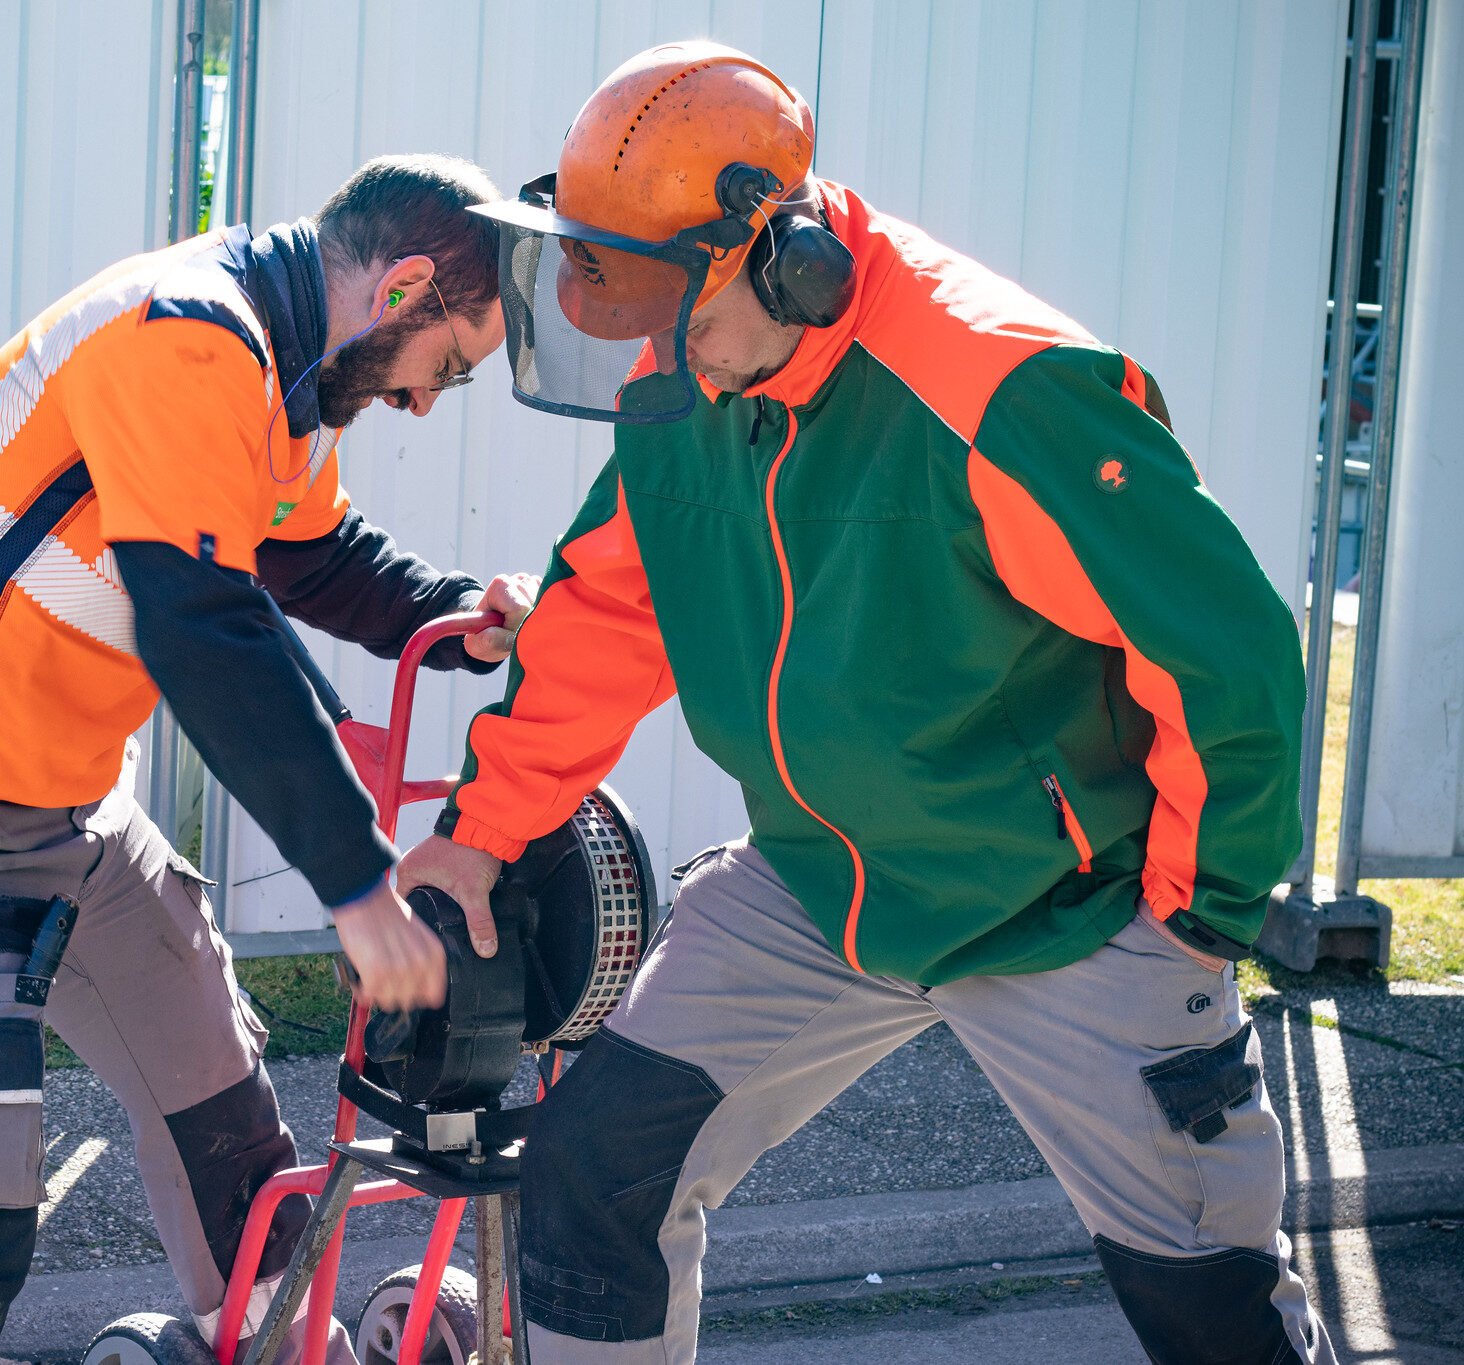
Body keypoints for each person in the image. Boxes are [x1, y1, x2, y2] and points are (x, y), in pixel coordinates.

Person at [400, 42, 1333, 1364]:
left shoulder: (1002, 388)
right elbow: (607, 614)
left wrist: (1193, 919)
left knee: (1211, 1308)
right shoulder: (690, 366)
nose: (664, 367)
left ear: (790, 261)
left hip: (1063, 903)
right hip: (819, 881)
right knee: (594, 1174)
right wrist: (480, 836)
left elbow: (1225, 655)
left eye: (685, 326)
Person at [0, 154, 534, 1365]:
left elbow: (317, 562)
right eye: (445, 368)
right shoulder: (184, 339)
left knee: (233, 1157)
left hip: (77, 821)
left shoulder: (282, 388)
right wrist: (356, 883)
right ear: (403, 289)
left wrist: (464, 615)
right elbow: (206, 628)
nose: (420, 405)